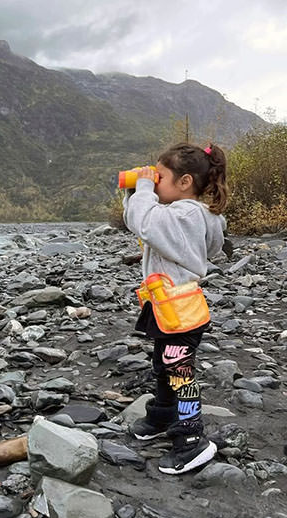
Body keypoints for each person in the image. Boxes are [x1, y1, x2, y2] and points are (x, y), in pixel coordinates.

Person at [123, 142, 227, 475]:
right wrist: (137, 193)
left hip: (179, 313)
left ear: (184, 182)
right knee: (163, 363)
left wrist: (140, 187)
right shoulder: (192, 214)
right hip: (170, 309)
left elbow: (146, 223)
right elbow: (142, 221)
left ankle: (192, 438)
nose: (154, 182)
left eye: (160, 176)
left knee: (179, 371)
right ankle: (164, 413)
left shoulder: (186, 214)